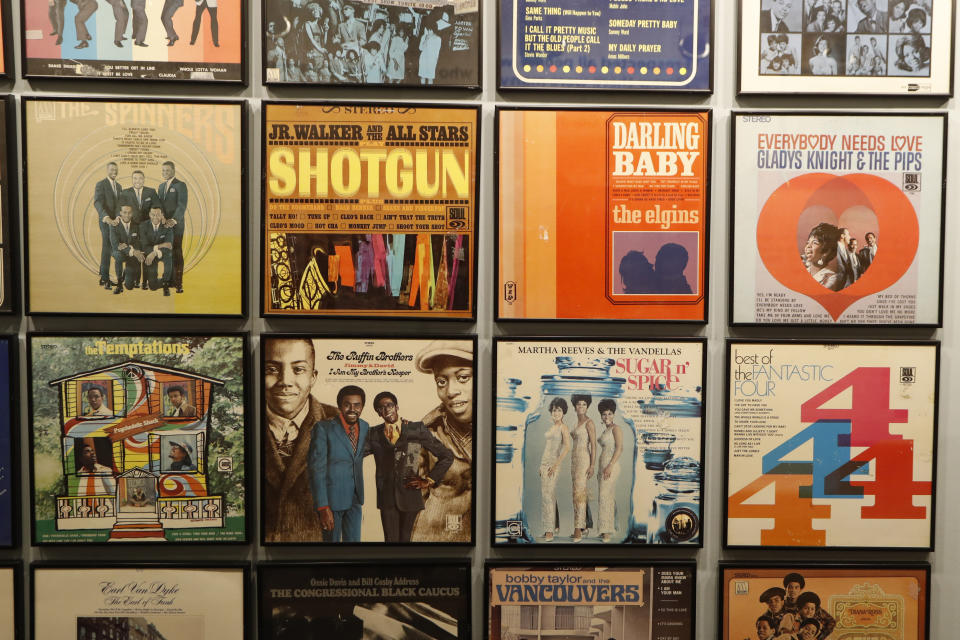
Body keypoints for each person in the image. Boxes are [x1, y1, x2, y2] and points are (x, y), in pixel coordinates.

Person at [263, 338, 338, 543]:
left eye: (298, 369)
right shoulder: (239, 423)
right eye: (271, 369)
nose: (285, 381)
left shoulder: (340, 423)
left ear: (313, 377)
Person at [363, 391, 454, 542]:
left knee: (407, 543)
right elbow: (355, 455)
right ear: (379, 413)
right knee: (391, 543)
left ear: (397, 407)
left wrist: (428, 480)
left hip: (410, 496)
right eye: (381, 408)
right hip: (387, 499)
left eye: (390, 405)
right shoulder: (373, 433)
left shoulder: (415, 429)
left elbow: (446, 456)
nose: (387, 410)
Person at [411, 340, 474, 542]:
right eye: (441, 381)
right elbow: (412, 499)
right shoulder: (421, 432)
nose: (451, 391)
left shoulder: (507, 423)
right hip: (435, 538)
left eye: (463, 377)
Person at [309, 385, 369, 542]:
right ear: (340, 406)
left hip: (355, 500)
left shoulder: (365, 426)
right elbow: (317, 469)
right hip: (332, 503)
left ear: (362, 406)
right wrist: (323, 507)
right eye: (347, 404)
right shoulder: (324, 428)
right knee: (332, 549)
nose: (352, 409)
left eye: (357, 405)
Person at [539, 397, 571, 542]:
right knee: (547, 496)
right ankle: (550, 527)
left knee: (548, 496)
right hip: (545, 464)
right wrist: (541, 464)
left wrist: (555, 465)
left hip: (553, 465)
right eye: (554, 410)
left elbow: (567, 447)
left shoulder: (563, 427)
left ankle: (549, 532)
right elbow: (547, 448)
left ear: (563, 412)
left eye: (559, 410)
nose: (556, 413)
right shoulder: (552, 427)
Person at [569, 393, 597, 543]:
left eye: (584, 404)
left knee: (579, 493)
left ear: (587, 407)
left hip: (584, 460)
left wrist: (592, 465)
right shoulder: (575, 423)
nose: (581, 407)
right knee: (576, 493)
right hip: (574, 460)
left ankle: (578, 529)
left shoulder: (589, 423)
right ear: (574, 406)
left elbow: (593, 445)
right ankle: (584, 526)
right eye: (579, 404)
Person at [158, 161, 188, 293]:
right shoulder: (160, 186)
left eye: (168, 170)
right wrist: (163, 218)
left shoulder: (180, 185)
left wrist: (173, 220)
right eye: (163, 170)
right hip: (164, 226)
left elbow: (182, 205)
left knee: (176, 253)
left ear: (174, 171)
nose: (165, 173)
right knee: (167, 253)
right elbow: (159, 205)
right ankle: (169, 281)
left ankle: (178, 283)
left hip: (176, 225)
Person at [595, 399, 623, 543]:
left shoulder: (616, 428)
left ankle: (607, 532)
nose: (606, 417)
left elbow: (619, 448)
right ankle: (604, 529)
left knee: (606, 496)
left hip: (611, 465)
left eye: (609, 414)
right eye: (604, 414)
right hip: (602, 464)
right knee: (604, 497)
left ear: (613, 414)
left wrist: (610, 465)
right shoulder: (605, 429)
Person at [94, 162, 123, 289]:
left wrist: (117, 217)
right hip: (106, 222)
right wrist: (107, 218)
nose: (114, 172)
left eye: (116, 170)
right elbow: (98, 203)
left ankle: (103, 276)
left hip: (116, 223)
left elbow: (119, 205)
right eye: (112, 169)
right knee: (107, 246)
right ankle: (105, 279)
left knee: (114, 247)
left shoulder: (119, 186)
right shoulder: (101, 184)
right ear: (107, 170)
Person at [139, 207, 174, 295]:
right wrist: (160, 246)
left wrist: (155, 252)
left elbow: (169, 246)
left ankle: (166, 283)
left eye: (158, 215)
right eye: (153, 214)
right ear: (149, 215)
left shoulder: (167, 226)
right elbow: (144, 246)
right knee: (153, 286)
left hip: (162, 253)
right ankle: (167, 281)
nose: (155, 217)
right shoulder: (143, 226)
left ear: (162, 215)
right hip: (149, 253)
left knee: (169, 255)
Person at [109, 202, 142, 294]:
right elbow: (115, 244)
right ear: (120, 213)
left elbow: (138, 242)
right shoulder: (114, 225)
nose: (127, 215)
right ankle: (119, 283)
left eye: (129, 212)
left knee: (129, 286)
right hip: (119, 252)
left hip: (131, 254)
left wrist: (132, 249)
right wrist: (131, 250)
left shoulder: (136, 225)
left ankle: (126, 275)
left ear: (132, 213)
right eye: (124, 212)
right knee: (118, 256)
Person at [803, 222, 840, 289]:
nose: (808, 246)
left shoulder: (831, 278)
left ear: (826, 251)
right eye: (808, 242)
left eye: (815, 243)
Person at [418, 20, 441, 84]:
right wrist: (426, 39)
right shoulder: (424, 36)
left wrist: (435, 62)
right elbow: (420, 48)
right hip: (423, 59)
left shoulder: (438, 39)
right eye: (428, 29)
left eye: (431, 30)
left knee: (430, 78)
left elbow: (437, 52)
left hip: (432, 60)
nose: (429, 31)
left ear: (434, 29)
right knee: (423, 77)